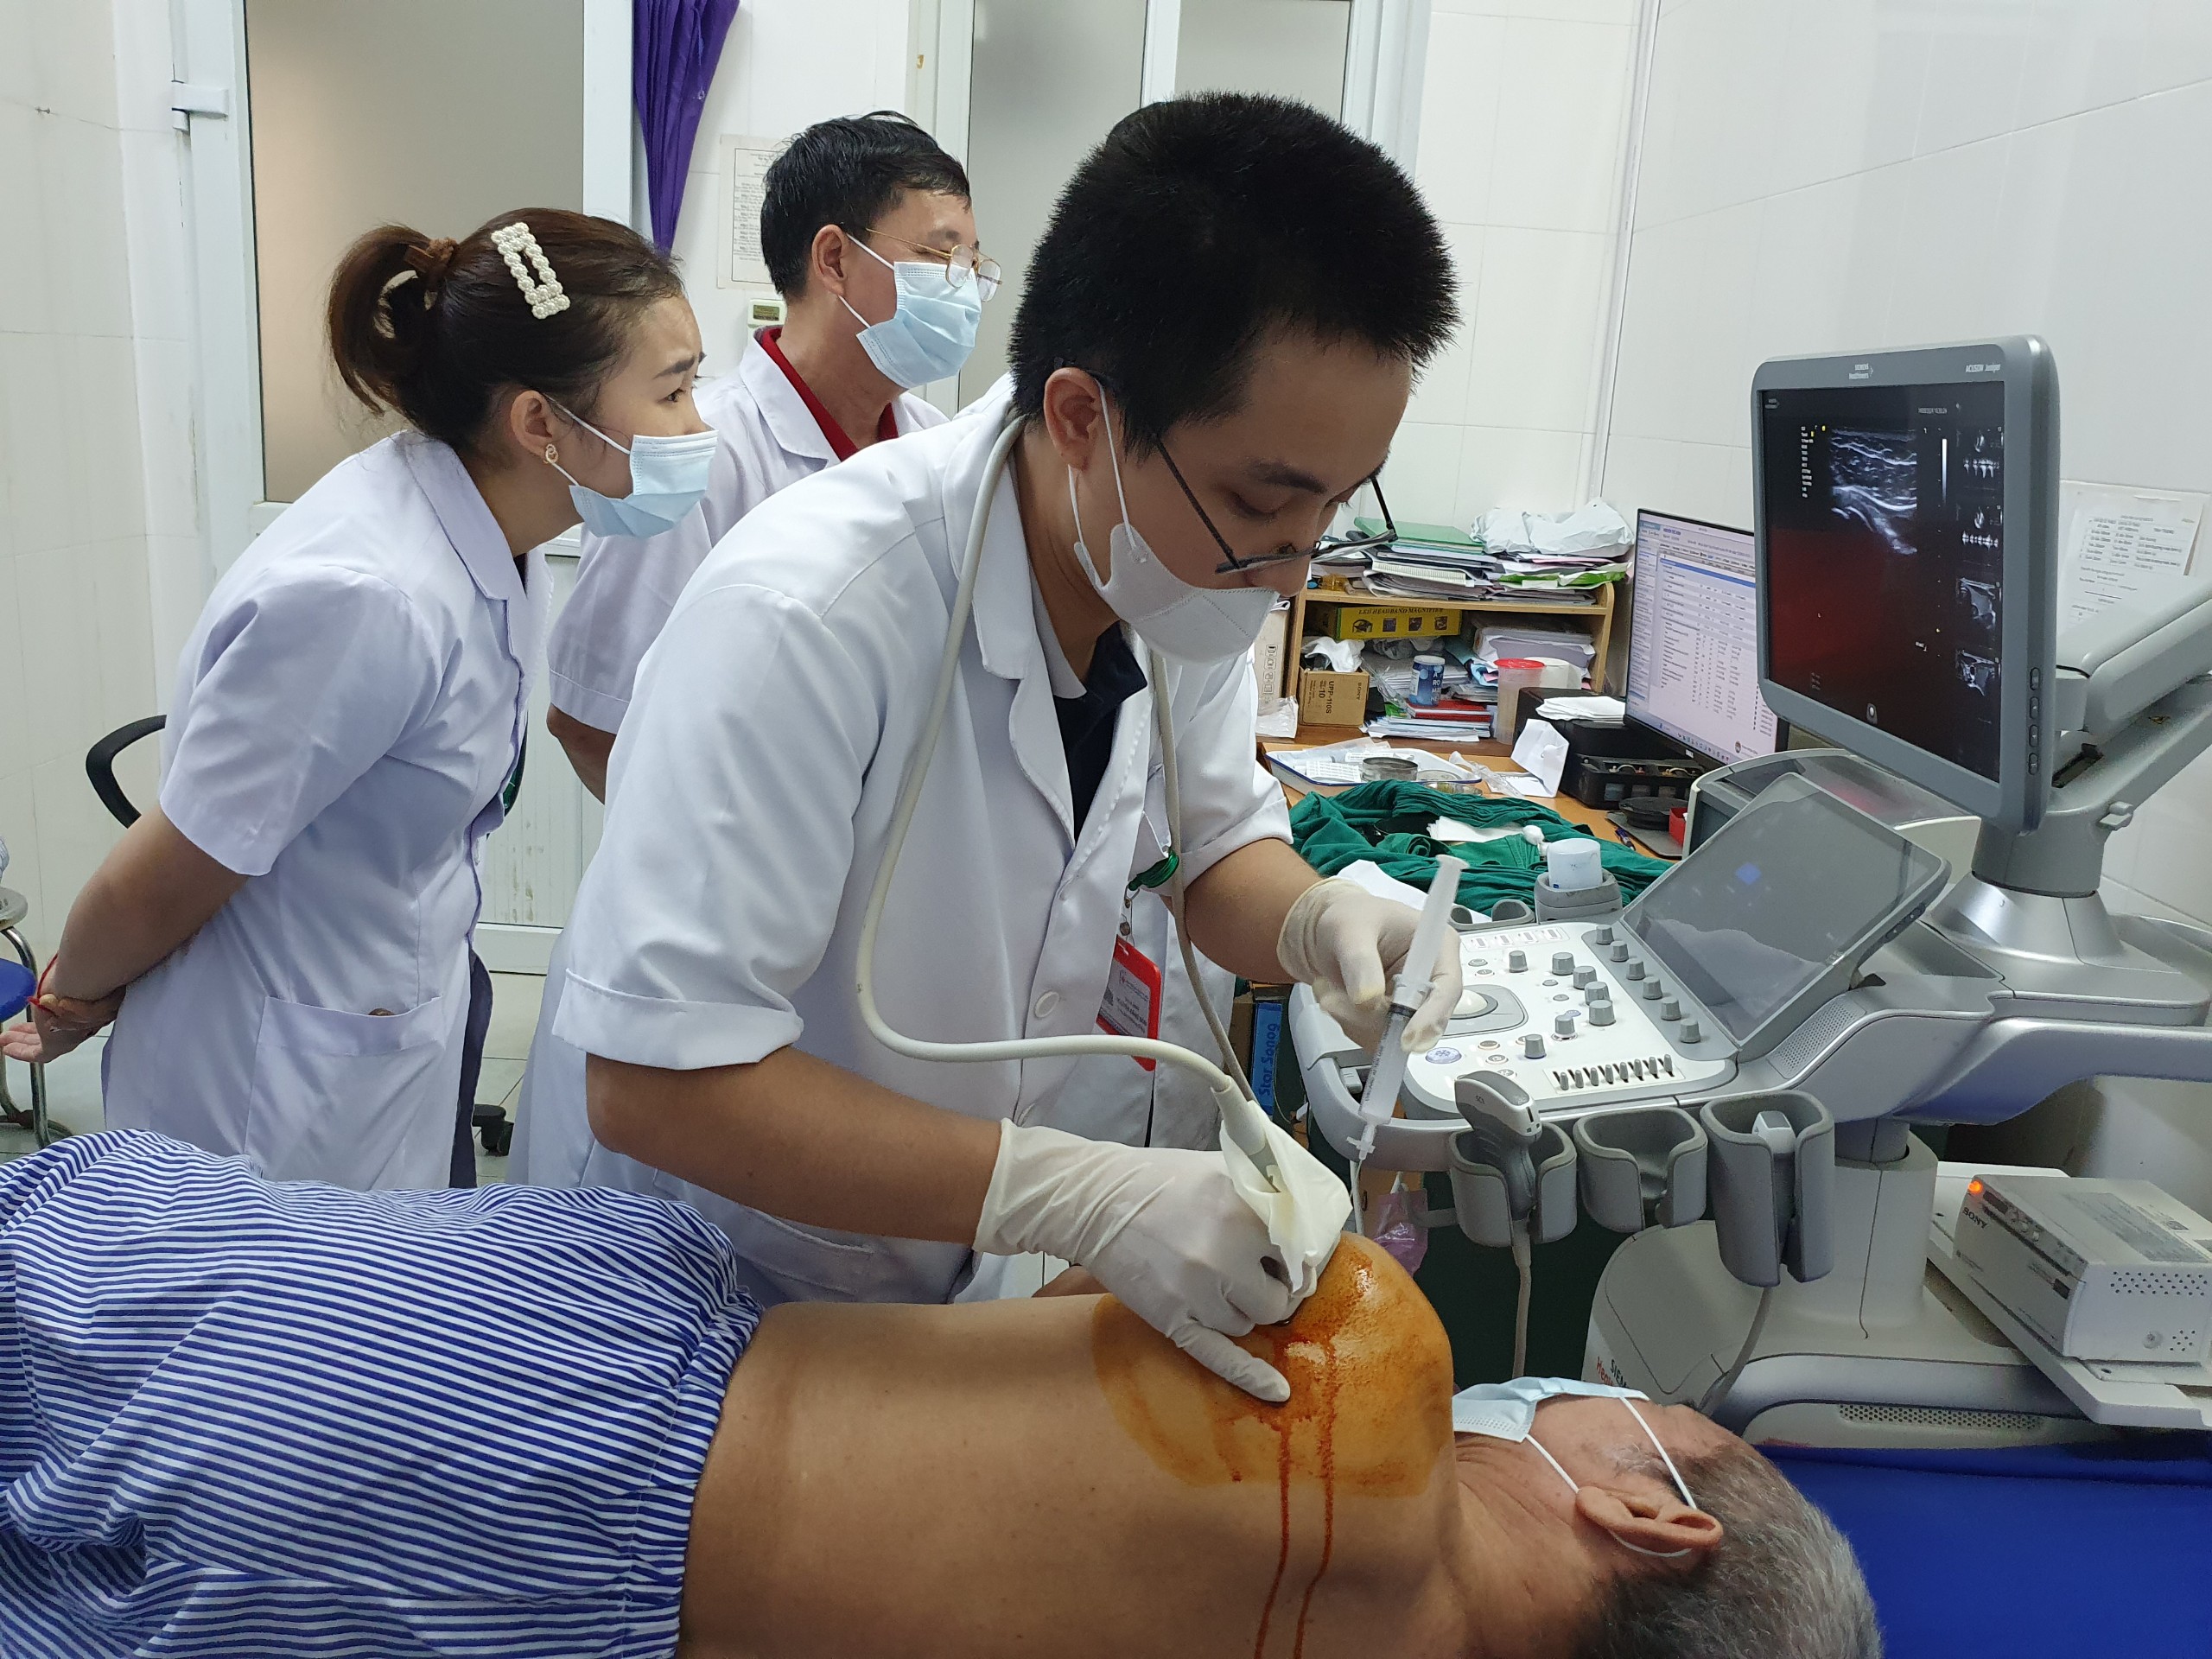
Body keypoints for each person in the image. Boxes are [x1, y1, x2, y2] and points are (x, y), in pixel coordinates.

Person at [524, 93, 1471, 1401]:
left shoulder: (1171, 566)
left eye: (1332, 507)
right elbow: (657, 1083)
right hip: (709, 1282)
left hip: (923, 1262)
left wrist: (1320, 924)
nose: (1291, 568)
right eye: (1266, 500)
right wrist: (1068, 1190)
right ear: (1081, 417)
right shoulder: (810, 610)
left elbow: (1211, 854)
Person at [0, 1129, 1882, 1659]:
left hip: (544, 1406)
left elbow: (1138, 1263)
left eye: (1640, 1422)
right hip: (557, 1616)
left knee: (77, 1285)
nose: (1583, 1402)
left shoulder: (1375, 1376)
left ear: (1644, 1513)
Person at [0, 210, 714, 1191]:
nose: (698, 426)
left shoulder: (493, 531)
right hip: (267, 1078)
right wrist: (72, 998)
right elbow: (169, 867)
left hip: (376, 1021)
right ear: (540, 423)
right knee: (285, 1289)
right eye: (673, 391)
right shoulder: (365, 595)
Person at [542, 111, 981, 798]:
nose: (967, 287)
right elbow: (594, 721)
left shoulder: (938, 446)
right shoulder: (694, 457)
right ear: (834, 260)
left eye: (973, 263)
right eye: (940, 256)